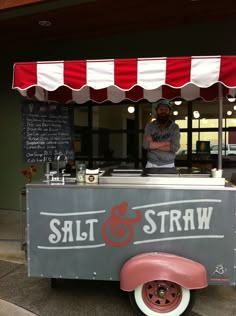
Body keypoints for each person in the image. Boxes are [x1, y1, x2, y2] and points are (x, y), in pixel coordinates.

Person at [143, 99, 180, 168]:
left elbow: (175, 147)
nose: (163, 112)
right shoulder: (150, 126)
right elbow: (146, 145)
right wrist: (167, 143)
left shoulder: (175, 127)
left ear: (170, 112)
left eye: (166, 110)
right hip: (151, 164)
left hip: (168, 165)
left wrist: (153, 145)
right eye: (161, 109)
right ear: (157, 111)